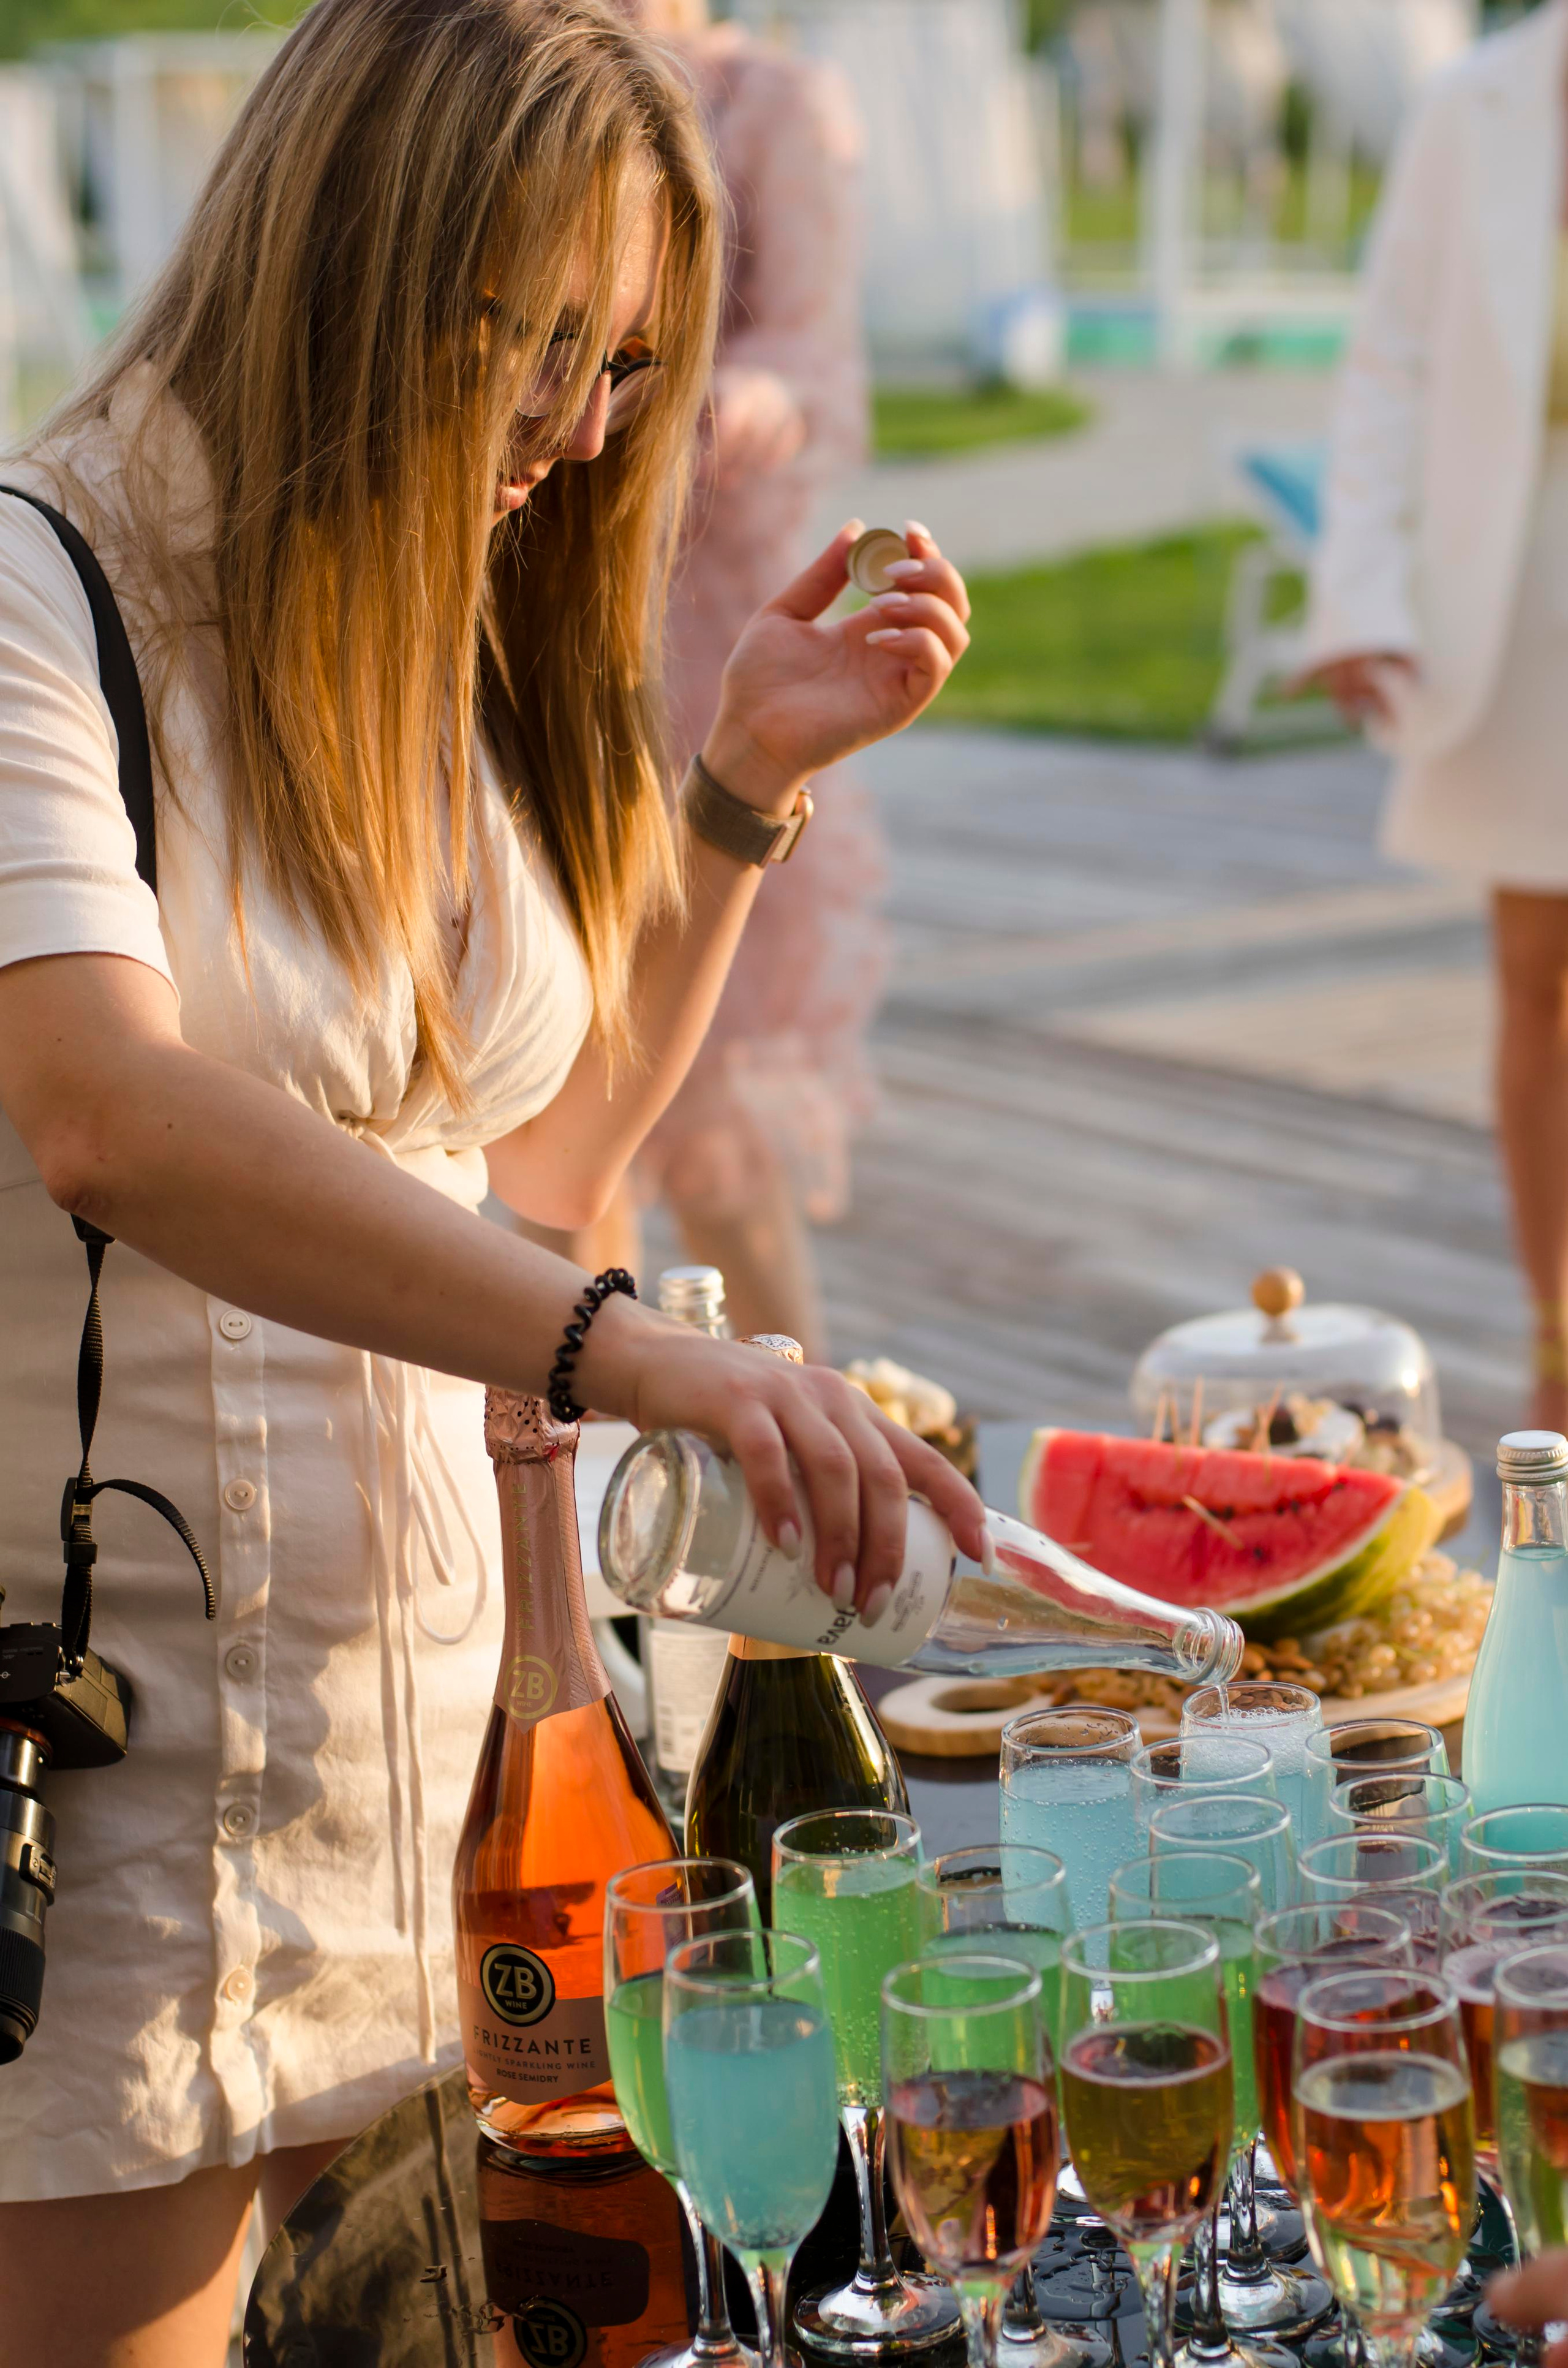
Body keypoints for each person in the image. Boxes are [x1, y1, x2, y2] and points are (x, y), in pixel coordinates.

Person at [0, 2, 981, 2359]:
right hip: (125, 1805)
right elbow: (102, 1107)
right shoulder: (42, 587)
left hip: (451, 1789)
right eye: (528, 337)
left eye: (629, 359)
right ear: (345, 251)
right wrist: (651, 1351)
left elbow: (529, 1156)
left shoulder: (409, 596)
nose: (578, 421)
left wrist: (739, 781)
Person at [532, 0, 887, 1353]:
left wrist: (708, 405)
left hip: (701, 631)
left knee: (716, 1125)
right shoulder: (507, 63)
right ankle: (578, 1477)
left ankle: (813, 1466)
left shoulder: (775, 106)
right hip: (537, 620)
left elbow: (810, 354)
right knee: (554, 1098)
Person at [1303, 0, 1568, 1427]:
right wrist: (1358, 599)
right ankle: (1557, 1333)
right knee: (1536, 980)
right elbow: (1387, 367)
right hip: (1516, 596)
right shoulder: (1472, 104)